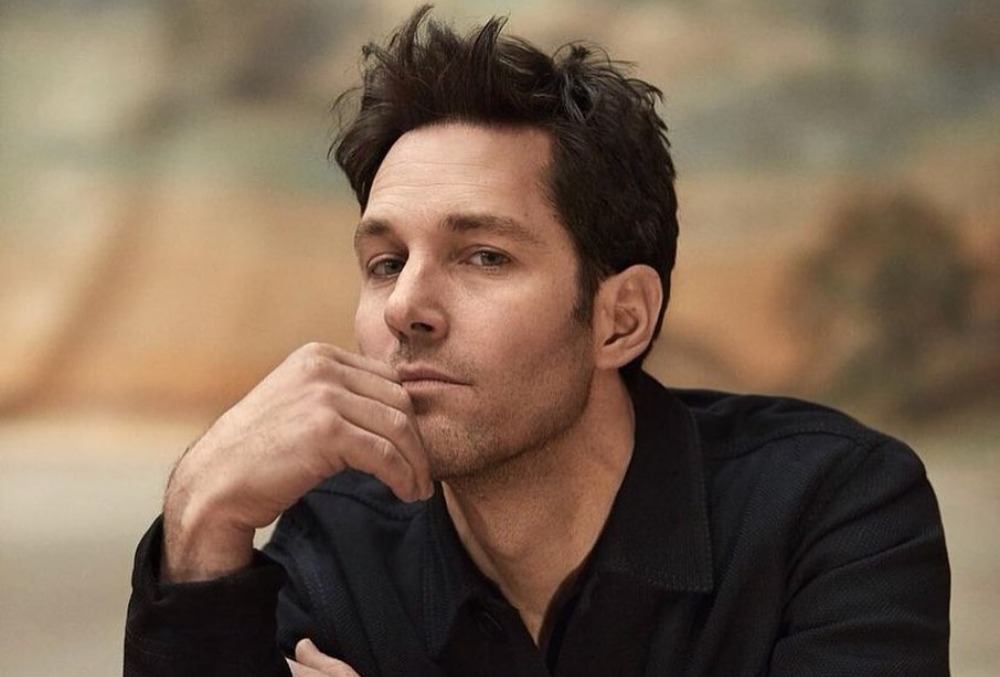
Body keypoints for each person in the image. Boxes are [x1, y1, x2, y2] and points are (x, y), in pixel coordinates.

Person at [124, 7, 950, 676]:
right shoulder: (335, 544)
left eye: (483, 255)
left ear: (621, 317)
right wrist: (202, 518)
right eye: (385, 262)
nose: (405, 306)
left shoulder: (835, 510)